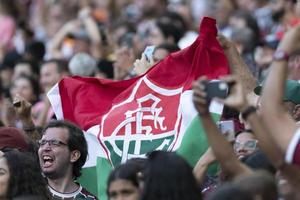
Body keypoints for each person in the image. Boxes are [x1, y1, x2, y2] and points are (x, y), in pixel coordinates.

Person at [38, 120, 98, 199]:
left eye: (54, 142)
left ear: (74, 156)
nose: (45, 148)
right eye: (42, 143)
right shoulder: (27, 191)